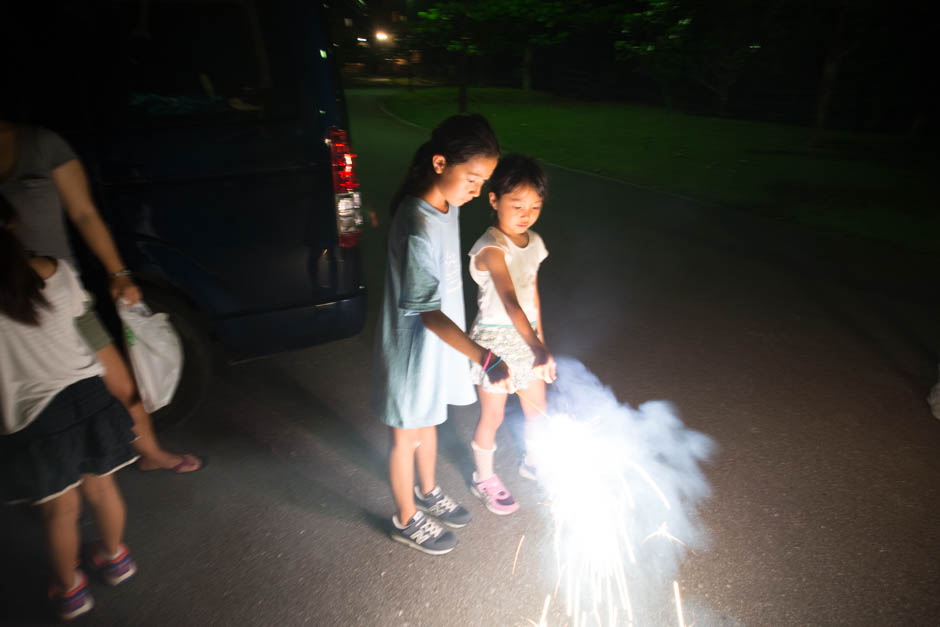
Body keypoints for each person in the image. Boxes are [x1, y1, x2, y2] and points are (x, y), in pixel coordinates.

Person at [0, 120, 201, 473]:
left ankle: (150, 452)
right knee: (17, 400)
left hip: (58, 294)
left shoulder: (40, 144)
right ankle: (48, 487)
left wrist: (118, 273)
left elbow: (85, 213)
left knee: (119, 381)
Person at [373, 114, 512, 555]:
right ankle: (405, 517)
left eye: (483, 180)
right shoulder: (417, 225)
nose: (477, 191)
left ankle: (428, 490)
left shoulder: (446, 207)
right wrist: (485, 356)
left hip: (437, 347)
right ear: (439, 163)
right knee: (406, 436)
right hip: (412, 350)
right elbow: (428, 313)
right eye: (472, 178)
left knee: (430, 421)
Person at [0, 196, 138, 621]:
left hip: (36, 416)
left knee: (61, 509)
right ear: (12, 223)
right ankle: (115, 559)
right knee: (102, 488)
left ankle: (70, 590)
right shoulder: (57, 271)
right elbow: (77, 321)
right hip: (89, 397)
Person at [466, 154, 557, 516]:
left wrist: (541, 341)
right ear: (494, 200)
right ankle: (483, 478)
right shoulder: (490, 247)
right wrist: (535, 347)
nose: (526, 213)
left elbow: (532, 294)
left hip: (528, 336)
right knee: (494, 416)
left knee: (538, 409)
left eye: (535, 206)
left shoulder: (533, 242)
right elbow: (509, 301)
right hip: (496, 341)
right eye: (517, 204)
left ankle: (533, 461)